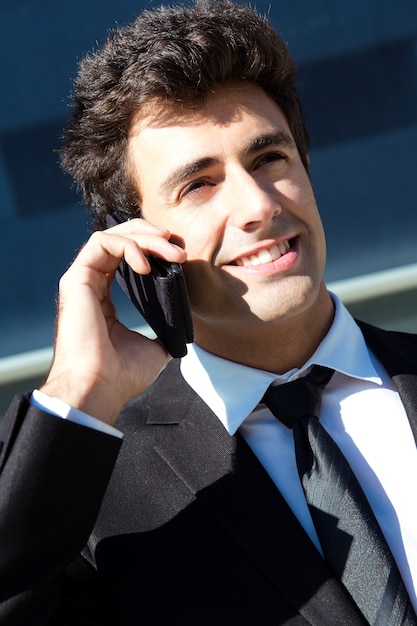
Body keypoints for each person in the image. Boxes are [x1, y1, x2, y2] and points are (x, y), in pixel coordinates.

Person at [0, 1, 416, 624]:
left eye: (269, 157)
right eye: (199, 184)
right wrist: (78, 393)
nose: (256, 204)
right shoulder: (87, 499)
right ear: (135, 240)